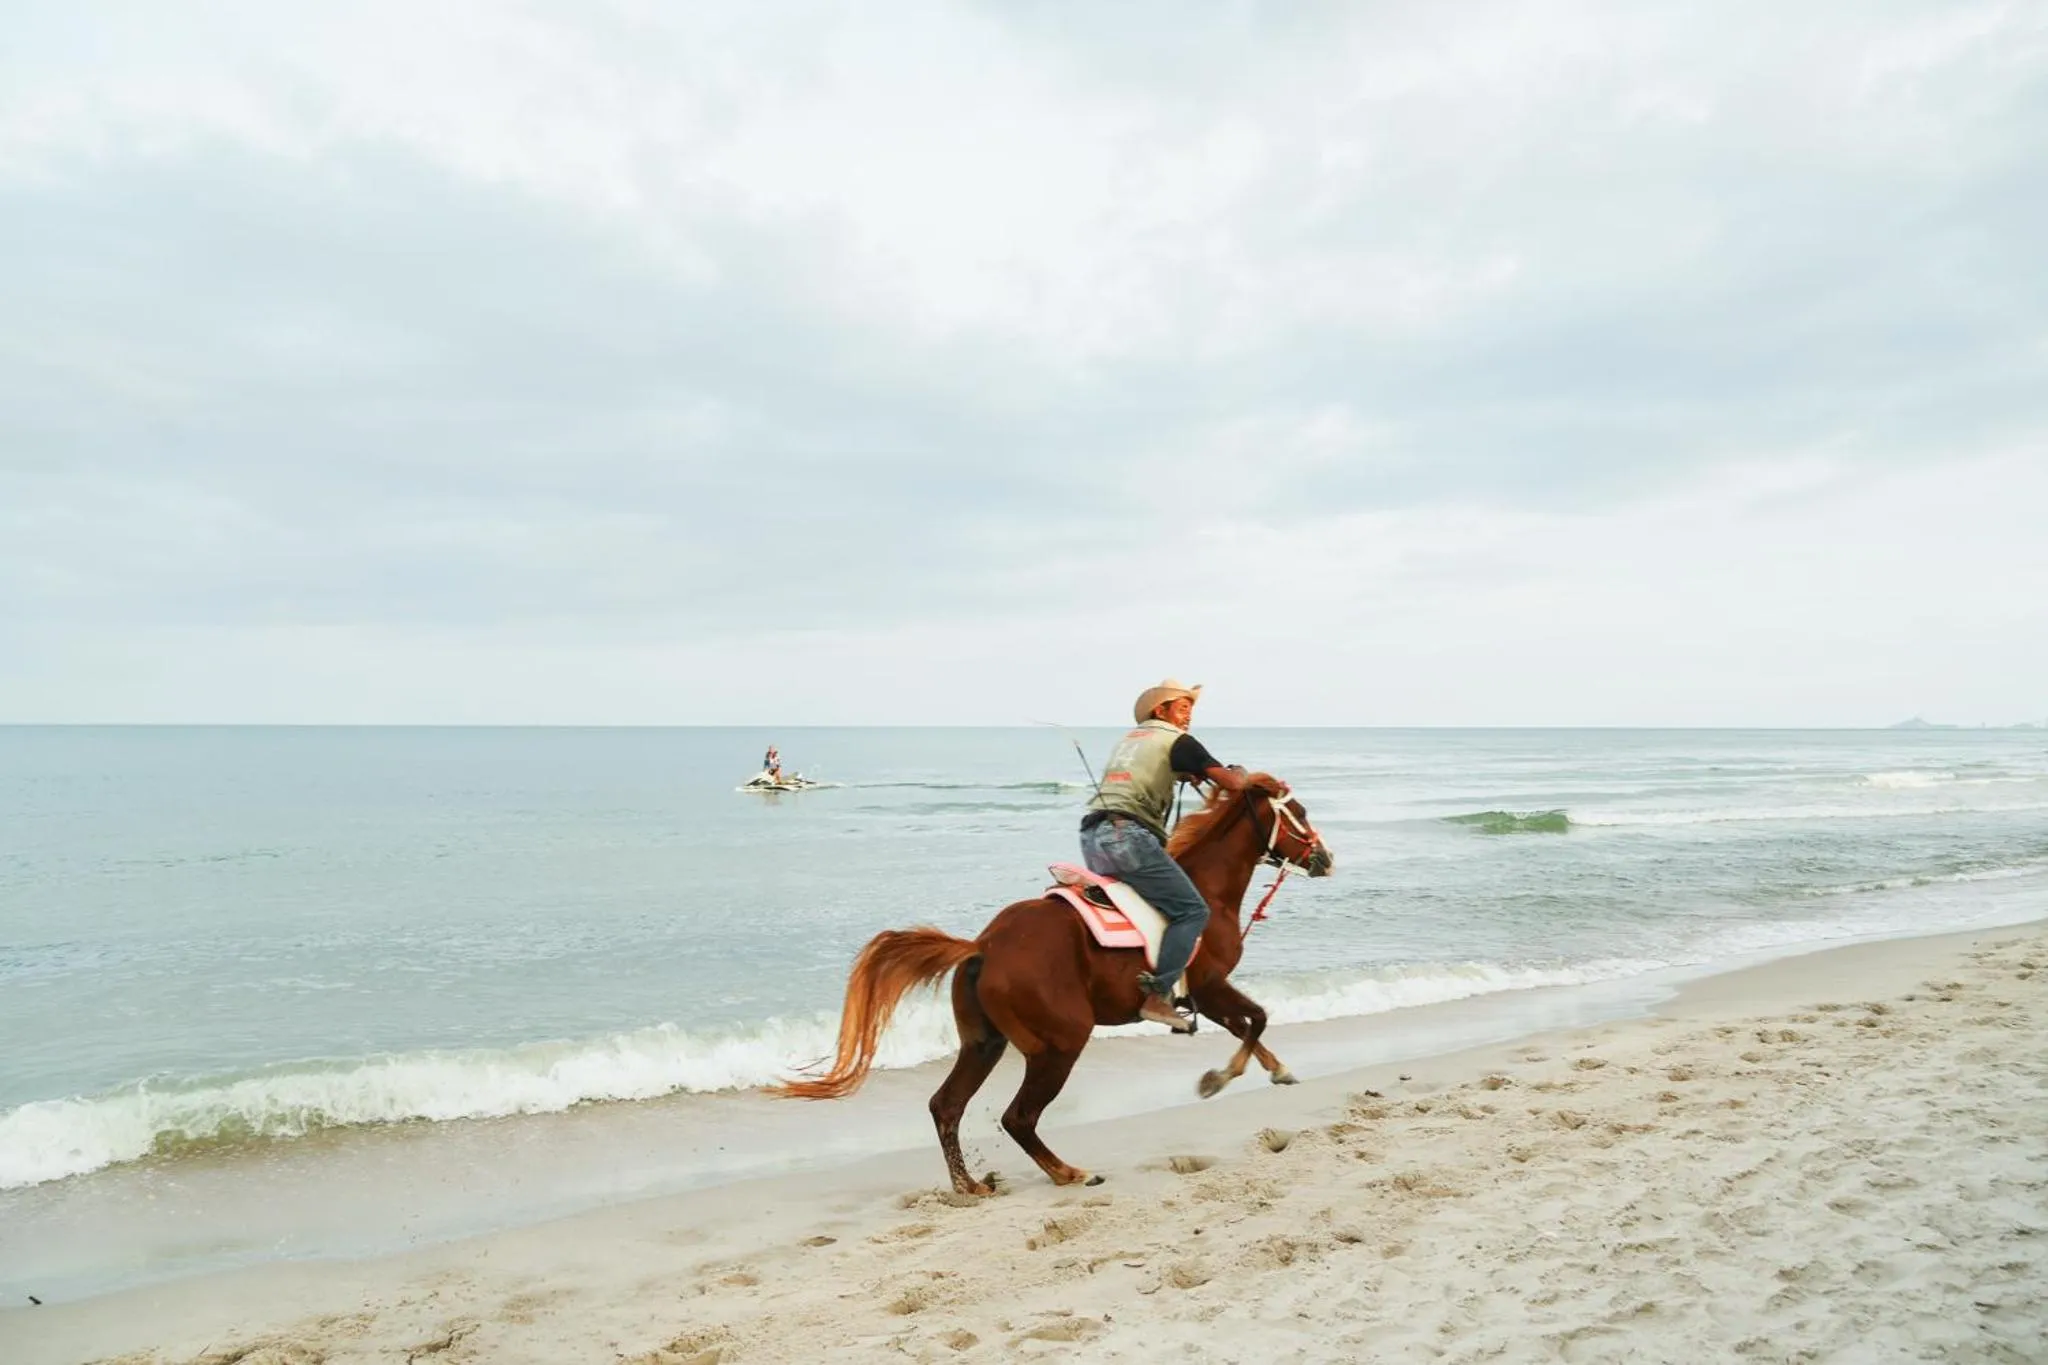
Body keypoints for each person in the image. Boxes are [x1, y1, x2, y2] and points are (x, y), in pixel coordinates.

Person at [1079, 679, 1259, 1031]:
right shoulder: (1178, 740)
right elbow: (1233, 784)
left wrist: (1182, 773)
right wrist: (1239, 772)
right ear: (1160, 710)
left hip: (1092, 837)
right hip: (1128, 837)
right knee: (1192, 910)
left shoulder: (1131, 740)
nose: (1188, 716)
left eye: (1191, 709)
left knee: (1147, 909)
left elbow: (1147, 773)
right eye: (1182, 707)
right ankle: (1158, 995)